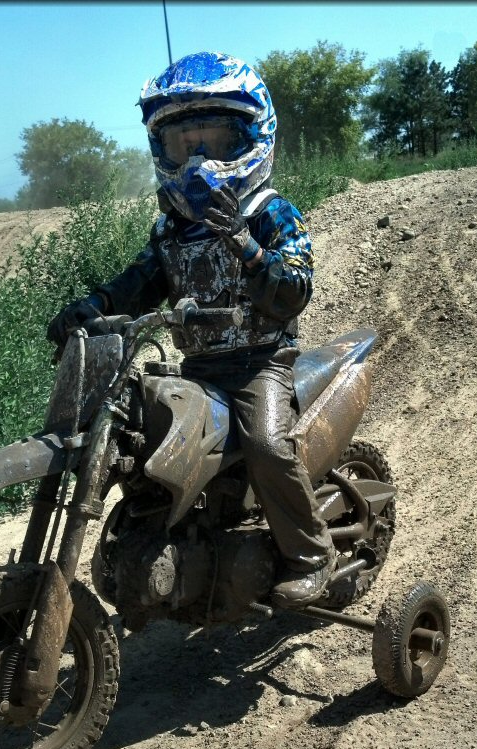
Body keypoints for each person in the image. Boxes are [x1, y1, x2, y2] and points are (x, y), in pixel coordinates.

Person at [47, 51, 334, 607]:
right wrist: (92, 305)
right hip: (199, 369)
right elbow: (137, 283)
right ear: (163, 148)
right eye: (185, 144)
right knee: (136, 435)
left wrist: (245, 246)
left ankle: (311, 554)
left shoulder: (271, 211)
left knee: (267, 444)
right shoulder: (170, 230)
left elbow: (293, 289)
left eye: (217, 141)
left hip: (260, 365)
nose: (200, 160)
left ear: (253, 136)